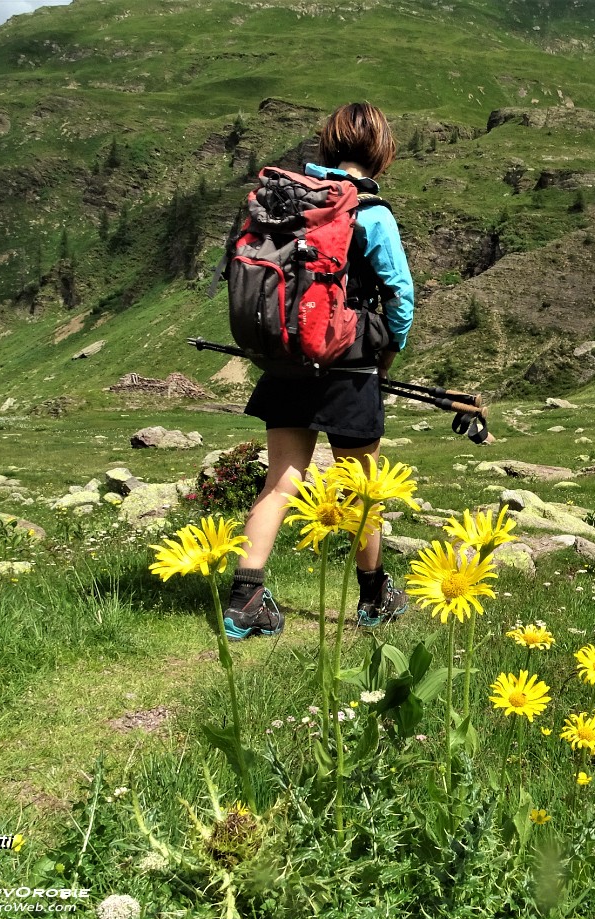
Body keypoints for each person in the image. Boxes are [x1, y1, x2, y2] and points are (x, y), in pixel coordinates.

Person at [223, 102, 415, 639]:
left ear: (326, 147)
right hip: (348, 364)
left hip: (285, 360)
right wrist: (387, 351)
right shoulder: (369, 212)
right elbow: (400, 294)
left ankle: (244, 600)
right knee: (362, 489)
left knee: (281, 482)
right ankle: (375, 598)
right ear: (381, 152)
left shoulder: (287, 204)